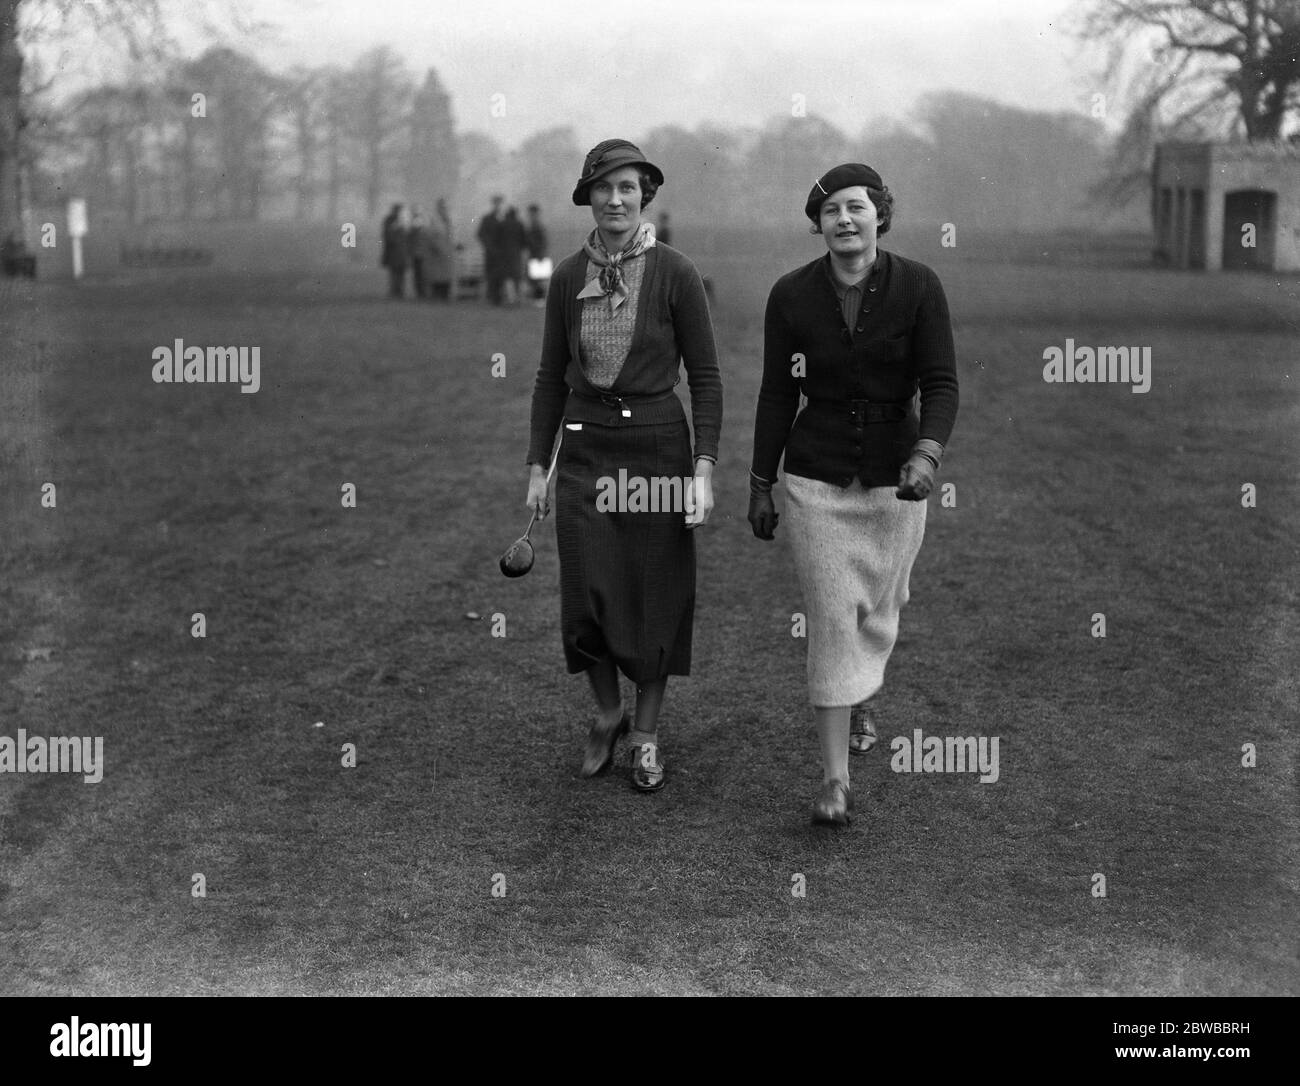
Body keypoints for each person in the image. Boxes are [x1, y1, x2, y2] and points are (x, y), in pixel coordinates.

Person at [748, 162, 958, 826]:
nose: (845, 218)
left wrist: (926, 452)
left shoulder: (919, 286)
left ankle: (863, 693)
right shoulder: (790, 296)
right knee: (834, 619)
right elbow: (779, 392)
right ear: (819, 224)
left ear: (880, 216)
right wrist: (761, 482)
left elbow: (942, 382)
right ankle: (835, 780)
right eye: (832, 209)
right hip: (816, 479)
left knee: (880, 610)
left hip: (898, 480)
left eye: (857, 207)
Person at [524, 139, 722, 792]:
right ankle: (607, 712)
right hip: (584, 448)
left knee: (654, 596)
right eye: (604, 188)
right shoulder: (564, 277)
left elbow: (707, 378)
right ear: (589, 198)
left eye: (628, 188)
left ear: (645, 199)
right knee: (588, 593)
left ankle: (645, 734)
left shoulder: (676, 272)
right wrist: (536, 467)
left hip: (658, 451)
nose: (616, 199)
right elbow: (551, 377)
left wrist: (702, 466)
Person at [477, 194, 505, 304]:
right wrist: (489, 247)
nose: (498, 205)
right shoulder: (487, 219)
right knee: (491, 275)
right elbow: (481, 233)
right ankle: (492, 297)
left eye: (499, 203)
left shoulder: (504, 218)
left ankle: (499, 297)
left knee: (501, 275)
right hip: (491, 253)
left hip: (502, 253)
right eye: (496, 203)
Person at [380, 204, 409, 298]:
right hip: (394, 251)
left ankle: (399, 291)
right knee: (395, 272)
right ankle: (395, 291)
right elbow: (388, 236)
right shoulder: (390, 221)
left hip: (401, 251)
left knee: (400, 272)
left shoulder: (403, 221)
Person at [500, 206, 528, 305]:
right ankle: (520, 298)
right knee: (518, 277)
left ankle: (511, 299)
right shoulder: (519, 224)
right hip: (517, 253)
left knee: (508, 277)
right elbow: (524, 240)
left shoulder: (503, 224)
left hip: (505, 254)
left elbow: (498, 239)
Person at [429, 198, 454, 301]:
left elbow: (451, 235)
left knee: (446, 274)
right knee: (437, 274)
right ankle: (437, 294)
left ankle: (445, 294)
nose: (444, 209)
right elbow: (431, 235)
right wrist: (437, 247)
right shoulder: (434, 220)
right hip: (438, 251)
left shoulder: (448, 219)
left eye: (445, 207)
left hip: (447, 251)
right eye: (442, 207)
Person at [524, 203, 550, 304]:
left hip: (539, 255)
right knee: (534, 279)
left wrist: (540, 253)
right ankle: (537, 298)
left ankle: (540, 299)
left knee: (539, 279)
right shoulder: (532, 225)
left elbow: (543, 242)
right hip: (534, 254)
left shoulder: (538, 226)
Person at [407, 208, 432, 299]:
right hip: (419, 254)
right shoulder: (416, 226)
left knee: (421, 274)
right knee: (420, 274)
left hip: (420, 254)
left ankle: (422, 292)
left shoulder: (416, 226)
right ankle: (421, 292)